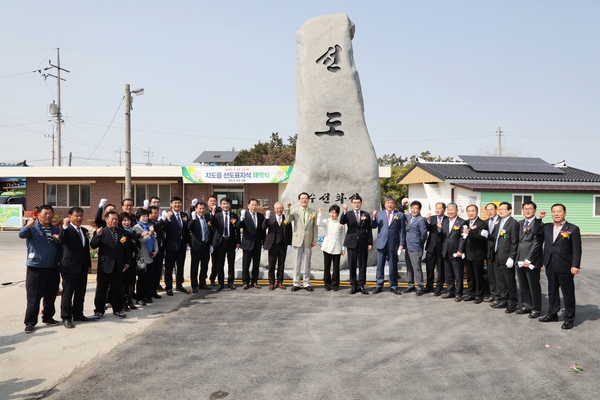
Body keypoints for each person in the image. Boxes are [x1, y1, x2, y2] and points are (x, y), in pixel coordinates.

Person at [535, 204, 582, 330]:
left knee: (568, 293)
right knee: (552, 291)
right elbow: (536, 231)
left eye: (559, 212)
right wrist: (539, 218)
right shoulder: (547, 226)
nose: (556, 214)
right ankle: (552, 313)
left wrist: (575, 265)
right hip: (550, 264)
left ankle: (569, 318)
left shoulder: (572, 228)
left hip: (565, 266)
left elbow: (577, 249)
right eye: (554, 212)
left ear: (565, 213)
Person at [19, 204, 62, 333]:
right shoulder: (33, 228)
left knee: (51, 295)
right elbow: (21, 234)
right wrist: (28, 225)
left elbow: (60, 246)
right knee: (34, 296)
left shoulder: (56, 229)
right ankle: (30, 322)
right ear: (39, 215)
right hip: (36, 267)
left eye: (50, 213)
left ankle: (48, 317)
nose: (48, 216)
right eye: (45, 213)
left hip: (53, 267)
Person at [90, 210, 130, 319]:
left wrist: (127, 262)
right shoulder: (101, 231)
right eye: (112, 219)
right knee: (101, 289)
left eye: (116, 219)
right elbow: (93, 245)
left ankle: (118, 309)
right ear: (106, 219)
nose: (115, 221)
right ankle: (99, 310)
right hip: (105, 265)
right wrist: (97, 236)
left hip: (118, 265)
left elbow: (127, 249)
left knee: (117, 288)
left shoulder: (122, 233)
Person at [58, 207, 92, 329]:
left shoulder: (84, 230)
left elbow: (85, 250)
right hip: (69, 267)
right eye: (76, 216)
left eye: (81, 216)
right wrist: (65, 226)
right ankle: (66, 317)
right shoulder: (66, 230)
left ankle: (78, 314)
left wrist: (88, 265)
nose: (79, 218)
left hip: (82, 267)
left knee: (80, 292)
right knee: (67, 293)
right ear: (70, 216)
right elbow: (61, 240)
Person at [489, 201, 520, 313]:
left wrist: (512, 257)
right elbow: (495, 237)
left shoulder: (513, 223)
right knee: (500, 280)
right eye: (500, 209)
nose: (501, 211)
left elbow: (514, 242)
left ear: (510, 210)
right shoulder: (499, 222)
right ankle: (504, 300)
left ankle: (513, 303)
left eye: (503, 209)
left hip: (507, 256)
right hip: (497, 254)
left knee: (509, 281)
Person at [285, 192, 318, 292]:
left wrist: (314, 240)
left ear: (308, 200)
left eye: (306, 198)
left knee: (307, 262)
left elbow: (315, 227)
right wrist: (287, 209)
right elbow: (287, 220)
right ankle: (296, 283)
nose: (304, 200)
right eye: (302, 198)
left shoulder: (313, 212)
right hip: (297, 239)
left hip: (308, 240)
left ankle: (306, 282)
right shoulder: (294, 211)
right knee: (297, 262)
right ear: (299, 200)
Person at [515, 201, 543, 318]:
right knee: (523, 284)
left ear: (535, 210)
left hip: (531, 260)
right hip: (519, 258)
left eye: (530, 208)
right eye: (525, 208)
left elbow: (537, 243)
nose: (527, 210)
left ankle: (536, 309)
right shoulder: (521, 223)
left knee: (533, 285)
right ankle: (526, 305)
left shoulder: (538, 224)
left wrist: (529, 259)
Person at [371, 196, 404, 295]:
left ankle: (393, 286)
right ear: (385, 204)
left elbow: (402, 231)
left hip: (393, 243)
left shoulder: (400, 215)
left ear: (394, 204)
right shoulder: (379, 214)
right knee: (380, 265)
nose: (390, 205)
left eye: (392, 203)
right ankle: (379, 285)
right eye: (388, 203)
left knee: (393, 265)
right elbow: (373, 226)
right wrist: (373, 217)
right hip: (381, 243)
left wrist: (401, 244)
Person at [340, 195, 373, 295]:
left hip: (363, 242)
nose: (356, 204)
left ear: (361, 203)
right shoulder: (348, 214)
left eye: (358, 202)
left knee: (363, 265)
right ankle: (354, 284)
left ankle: (361, 284)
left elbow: (369, 229)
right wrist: (344, 211)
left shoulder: (365, 214)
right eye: (354, 202)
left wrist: (370, 242)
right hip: (351, 242)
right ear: (351, 204)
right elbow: (342, 221)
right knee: (352, 264)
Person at [161, 196, 190, 295]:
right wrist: (168, 219)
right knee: (169, 267)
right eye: (175, 203)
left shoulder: (184, 215)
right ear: (171, 204)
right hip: (171, 245)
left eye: (179, 203)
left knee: (180, 266)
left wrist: (187, 242)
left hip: (182, 246)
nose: (177, 205)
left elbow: (186, 230)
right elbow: (164, 228)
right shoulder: (168, 215)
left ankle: (179, 285)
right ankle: (168, 287)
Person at [438, 203, 466, 301]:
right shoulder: (445, 221)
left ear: (457, 210)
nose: (450, 212)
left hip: (456, 252)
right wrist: (439, 229)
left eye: (452, 210)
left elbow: (463, 238)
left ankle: (458, 293)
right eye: (449, 210)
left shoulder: (462, 222)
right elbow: (443, 236)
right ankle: (450, 291)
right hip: (446, 251)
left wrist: (460, 250)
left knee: (458, 274)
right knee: (448, 273)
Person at [461, 204, 488, 303]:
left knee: (478, 276)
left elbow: (480, 238)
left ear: (477, 212)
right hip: (467, 253)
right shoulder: (466, 222)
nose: (471, 213)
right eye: (469, 211)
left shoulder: (482, 223)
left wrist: (469, 233)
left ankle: (479, 295)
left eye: (473, 211)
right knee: (470, 276)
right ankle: (471, 293)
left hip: (477, 253)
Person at [211, 197, 239, 290]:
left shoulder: (234, 215)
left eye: (227, 204)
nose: (225, 205)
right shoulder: (217, 215)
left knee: (231, 263)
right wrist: (213, 213)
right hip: (220, 242)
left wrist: (238, 242)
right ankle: (221, 283)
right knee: (220, 264)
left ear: (230, 205)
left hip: (231, 241)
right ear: (221, 205)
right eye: (223, 204)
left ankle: (231, 282)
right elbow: (212, 223)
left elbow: (237, 229)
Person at [262, 201, 292, 290]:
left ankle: (280, 282)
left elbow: (290, 232)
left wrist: (289, 244)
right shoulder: (270, 218)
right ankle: (271, 282)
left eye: (281, 208)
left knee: (281, 265)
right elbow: (263, 227)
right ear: (274, 209)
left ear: (283, 209)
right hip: (273, 245)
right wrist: (266, 218)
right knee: (271, 265)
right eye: (277, 208)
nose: (279, 210)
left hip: (283, 245)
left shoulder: (286, 218)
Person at [237, 198, 266, 289]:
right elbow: (238, 227)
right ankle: (246, 282)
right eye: (252, 205)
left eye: (255, 205)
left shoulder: (261, 216)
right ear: (248, 206)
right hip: (247, 244)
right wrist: (241, 219)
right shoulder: (244, 215)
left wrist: (264, 242)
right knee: (246, 264)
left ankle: (255, 281)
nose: (254, 207)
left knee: (256, 264)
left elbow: (263, 231)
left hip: (257, 244)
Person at [318, 204, 346, 292]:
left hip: (337, 247)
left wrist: (343, 248)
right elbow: (318, 223)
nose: (332, 214)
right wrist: (320, 213)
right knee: (327, 266)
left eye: (334, 213)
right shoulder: (327, 221)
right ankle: (327, 284)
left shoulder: (341, 223)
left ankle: (335, 285)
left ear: (337, 214)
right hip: (327, 247)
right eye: (331, 212)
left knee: (336, 267)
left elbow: (343, 236)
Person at [403, 201, 428, 296]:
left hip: (416, 247)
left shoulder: (421, 220)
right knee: (409, 267)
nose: (413, 210)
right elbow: (401, 214)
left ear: (419, 209)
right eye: (412, 208)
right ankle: (410, 285)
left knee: (416, 267)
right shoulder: (409, 217)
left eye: (416, 208)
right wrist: (402, 205)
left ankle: (420, 286)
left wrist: (419, 243)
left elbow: (424, 234)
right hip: (408, 246)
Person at [133, 209, 158, 304]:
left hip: (150, 255)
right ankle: (140, 297)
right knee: (142, 278)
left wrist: (156, 250)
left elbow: (154, 239)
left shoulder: (148, 226)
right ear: (139, 218)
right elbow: (142, 240)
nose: (145, 218)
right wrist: (150, 233)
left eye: (146, 216)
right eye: (143, 216)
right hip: (142, 256)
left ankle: (147, 295)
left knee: (149, 278)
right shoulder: (137, 227)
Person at [187, 201, 212, 292]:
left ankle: (202, 283)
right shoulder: (192, 217)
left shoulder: (207, 217)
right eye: (200, 208)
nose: (201, 210)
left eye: (203, 209)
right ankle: (194, 285)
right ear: (196, 209)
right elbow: (189, 228)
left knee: (204, 265)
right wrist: (193, 219)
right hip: (196, 245)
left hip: (206, 245)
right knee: (195, 266)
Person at [425, 202, 446, 296]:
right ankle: (429, 285)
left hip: (441, 248)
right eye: (436, 208)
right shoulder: (432, 218)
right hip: (430, 247)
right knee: (429, 268)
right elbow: (427, 228)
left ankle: (439, 287)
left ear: (444, 210)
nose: (437, 210)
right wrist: (428, 221)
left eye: (440, 208)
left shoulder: (447, 219)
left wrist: (440, 229)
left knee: (440, 269)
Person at [120, 213, 139, 310]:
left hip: (132, 260)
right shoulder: (120, 232)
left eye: (128, 220)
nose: (126, 223)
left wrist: (134, 251)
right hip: (123, 260)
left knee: (131, 282)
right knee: (123, 282)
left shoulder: (133, 230)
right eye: (124, 221)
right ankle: (123, 303)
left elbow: (137, 245)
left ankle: (130, 301)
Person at [483, 203, 500, 303]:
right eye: (487, 210)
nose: (489, 212)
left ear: (496, 209)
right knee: (491, 275)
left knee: (498, 276)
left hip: (498, 252)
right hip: (488, 252)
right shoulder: (485, 222)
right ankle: (493, 294)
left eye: (491, 210)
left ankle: (499, 296)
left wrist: (488, 236)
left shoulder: (501, 221)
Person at [147, 205, 164, 301]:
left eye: (157, 213)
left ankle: (154, 291)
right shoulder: (149, 223)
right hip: (152, 251)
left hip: (160, 249)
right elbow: (154, 227)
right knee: (151, 272)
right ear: (149, 214)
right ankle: (149, 292)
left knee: (158, 271)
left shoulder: (157, 222)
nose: (156, 215)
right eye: (154, 213)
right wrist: (164, 220)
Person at [206, 195, 221, 285]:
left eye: (214, 201)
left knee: (217, 262)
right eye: (211, 201)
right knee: (207, 261)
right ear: (208, 202)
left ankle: (215, 277)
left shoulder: (219, 212)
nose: (213, 203)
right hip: (207, 240)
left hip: (217, 240)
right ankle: (206, 278)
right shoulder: (204, 212)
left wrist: (215, 212)